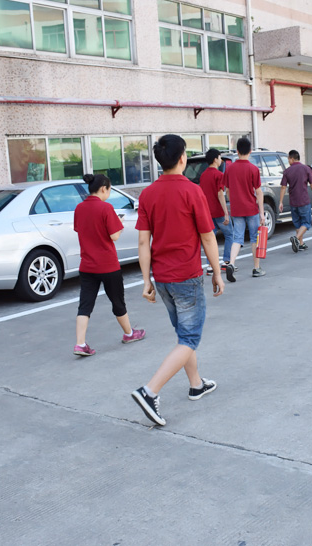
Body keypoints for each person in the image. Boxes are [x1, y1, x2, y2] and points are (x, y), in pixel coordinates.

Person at [131, 135, 225, 427]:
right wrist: (217, 272)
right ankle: (149, 392)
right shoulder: (191, 191)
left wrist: (146, 280)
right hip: (186, 277)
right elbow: (207, 236)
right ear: (182, 158)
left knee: (184, 336)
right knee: (189, 338)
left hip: (162, 279)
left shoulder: (148, 194)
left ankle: (196, 384)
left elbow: (143, 242)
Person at [72, 173, 145, 357]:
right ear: (104, 188)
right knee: (117, 301)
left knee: (85, 305)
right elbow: (114, 236)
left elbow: (81, 230)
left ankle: (80, 344)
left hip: (87, 265)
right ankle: (129, 333)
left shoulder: (79, 208)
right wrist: (119, 223)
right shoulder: (106, 208)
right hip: (108, 265)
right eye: (110, 189)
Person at [223, 137, 265, 279]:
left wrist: (233, 201)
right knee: (254, 238)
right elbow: (258, 192)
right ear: (250, 151)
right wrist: (262, 213)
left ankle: (231, 263)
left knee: (237, 238)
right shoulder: (253, 169)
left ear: (237, 151)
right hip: (251, 208)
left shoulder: (230, 169)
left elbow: (227, 190)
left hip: (237, 209)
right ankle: (256, 268)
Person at [199, 148, 236, 282]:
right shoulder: (219, 175)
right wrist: (226, 212)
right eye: (220, 158)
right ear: (215, 159)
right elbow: (220, 193)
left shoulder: (203, 175)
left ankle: (210, 266)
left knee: (210, 238)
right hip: (218, 211)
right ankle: (226, 262)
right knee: (229, 234)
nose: (221, 160)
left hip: (207, 212)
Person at [279, 149, 312, 252]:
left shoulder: (287, 171)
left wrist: (281, 202)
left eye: (288, 159)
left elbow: (283, 187)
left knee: (298, 223)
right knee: (306, 223)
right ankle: (296, 238)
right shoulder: (306, 168)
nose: (288, 161)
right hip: (304, 200)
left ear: (292, 159)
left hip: (293, 201)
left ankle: (301, 244)